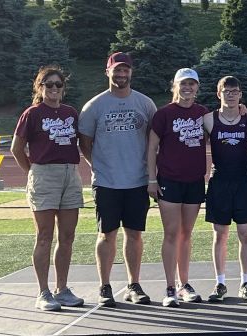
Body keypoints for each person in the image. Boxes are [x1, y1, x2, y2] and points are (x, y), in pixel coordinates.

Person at [78, 52, 157, 308]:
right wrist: (100, 167)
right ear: (108, 71)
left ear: (131, 73)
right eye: (117, 70)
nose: (121, 74)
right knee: (106, 235)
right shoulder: (94, 106)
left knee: (134, 235)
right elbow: (85, 143)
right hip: (106, 182)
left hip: (137, 181)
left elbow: (153, 141)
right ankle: (105, 286)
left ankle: (134, 284)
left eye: (125, 70)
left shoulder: (145, 104)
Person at [12, 66, 84, 311]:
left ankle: (61, 289)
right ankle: (43, 292)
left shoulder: (71, 113)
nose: (54, 88)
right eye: (48, 84)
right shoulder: (32, 113)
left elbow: (81, 145)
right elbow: (16, 149)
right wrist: (32, 171)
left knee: (67, 236)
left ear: (63, 88)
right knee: (44, 236)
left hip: (70, 174)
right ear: (40, 88)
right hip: (44, 174)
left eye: (58, 85)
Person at [147, 68, 207, 307]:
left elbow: (226, 120)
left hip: (194, 181)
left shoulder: (203, 113)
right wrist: (152, 179)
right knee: (171, 233)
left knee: (186, 234)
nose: (188, 88)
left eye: (192, 84)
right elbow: (151, 148)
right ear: (175, 86)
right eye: (183, 84)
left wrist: (242, 109)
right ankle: (170, 287)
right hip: (169, 181)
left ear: (197, 88)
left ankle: (184, 284)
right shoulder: (164, 114)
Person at [203, 76, 247, 302]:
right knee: (220, 234)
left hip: (243, 182)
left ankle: (245, 282)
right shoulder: (208, 119)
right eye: (226, 91)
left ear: (240, 94)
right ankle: (220, 283)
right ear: (219, 94)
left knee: (245, 234)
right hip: (219, 182)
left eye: (234, 91)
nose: (230, 95)